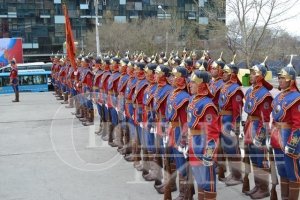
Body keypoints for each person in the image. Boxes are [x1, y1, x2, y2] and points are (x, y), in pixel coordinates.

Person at [270, 58, 300, 200]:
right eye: (279, 78)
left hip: (288, 137)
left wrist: (292, 143)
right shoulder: (279, 96)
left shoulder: (296, 98)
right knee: (281, 170)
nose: (280, 80)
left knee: (292, 171)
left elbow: (298, 124)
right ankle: (284, 197)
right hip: (276, 136)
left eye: (283, 78)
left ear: (290, 80)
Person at [243, 60, 273, 199]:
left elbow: (265, 118)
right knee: (253, 159)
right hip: (250, 125)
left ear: (260, 76)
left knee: (261, 159)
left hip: (258, 128)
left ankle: (264, 188)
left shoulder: (265, 94)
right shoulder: (250, 90)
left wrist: (261, 136)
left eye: (254, 73)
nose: (251, 75)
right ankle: (257, 186)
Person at [187, 70, 219, 199]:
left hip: (203, 143)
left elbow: (213, 132)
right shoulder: (194, 100)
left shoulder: (207, 105)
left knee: (208, 180)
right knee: (199, 178)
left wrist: (210, 152)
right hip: (193, 141)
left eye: (194, 82)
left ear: (201, 85)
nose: (190, 84)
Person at [218, 57, 244, 186]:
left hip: (229, 121)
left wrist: (236, 128)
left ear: (232, 74)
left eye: (226, 72)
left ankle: (238, 175)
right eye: (223, 72)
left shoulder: (235, 89)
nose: (223, 74)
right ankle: (233, 174)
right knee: (227, 148)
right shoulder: (225, 86)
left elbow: (237, 111)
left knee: (232, 149)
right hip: (222, 119)